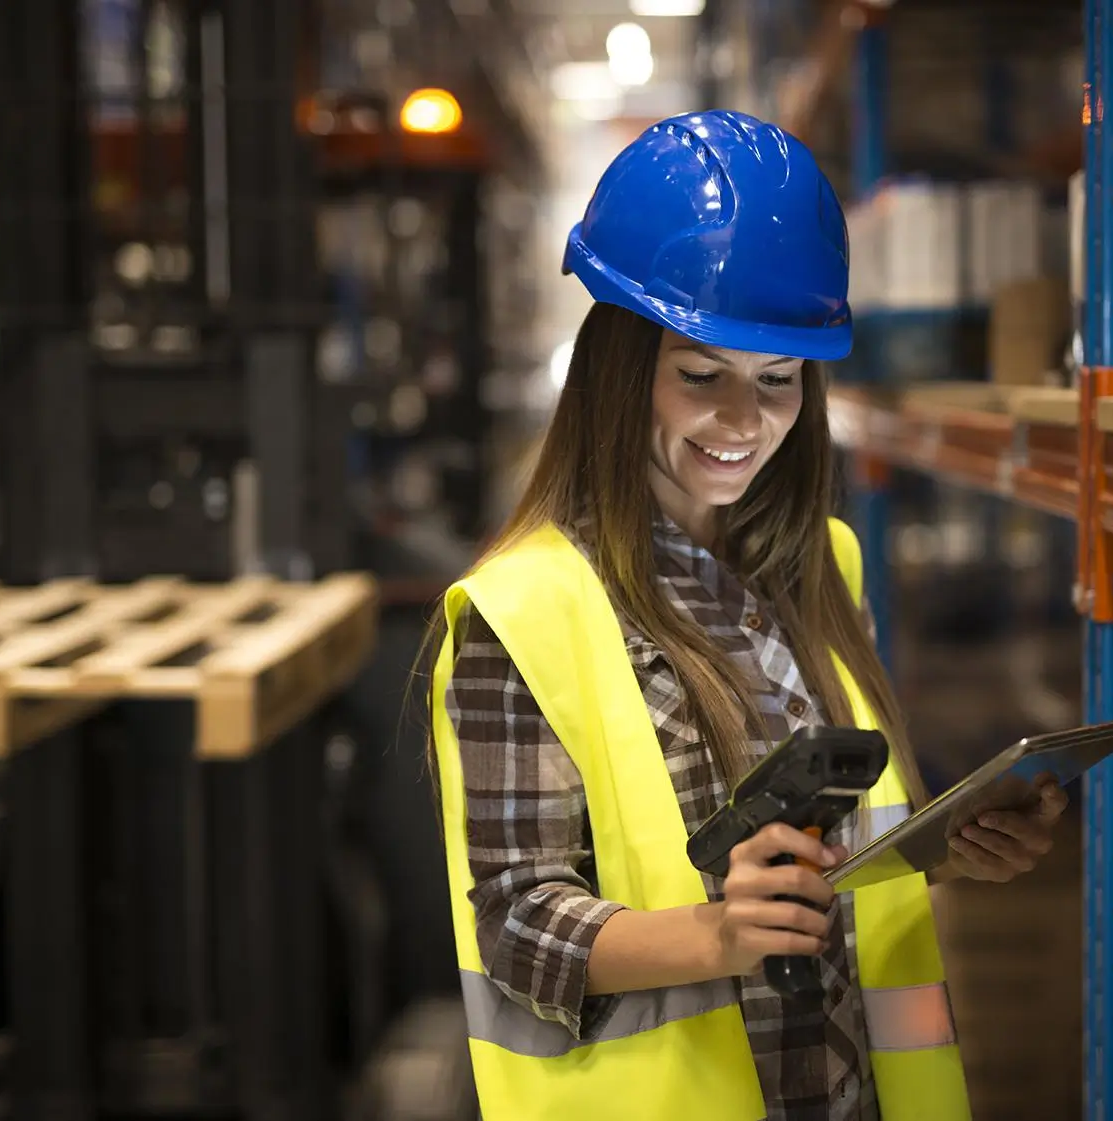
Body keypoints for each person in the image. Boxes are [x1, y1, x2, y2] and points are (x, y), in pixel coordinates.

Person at [426, 110, 1069, 1121]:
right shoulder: (524, 610)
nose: (743, 421)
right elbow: (516, 926)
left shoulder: (820, 567)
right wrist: (717, 934)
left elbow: (838, 862)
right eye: (700, 375)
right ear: (617, 366)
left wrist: (948, 843)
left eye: (778, 380)